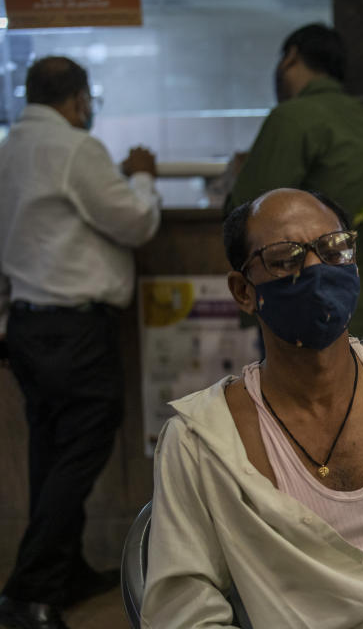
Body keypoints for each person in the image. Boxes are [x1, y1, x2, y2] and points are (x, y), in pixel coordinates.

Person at [142, 189, 363, 629]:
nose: (315, 268)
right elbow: (182, 610)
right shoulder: (204, 439)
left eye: (334, 249)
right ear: (243, 291)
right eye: (285, 258)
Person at [0, 56, 161, 629]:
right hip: (74, 328)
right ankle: (30, 590)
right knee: (83, 444)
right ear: (78, 100)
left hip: (28, 324)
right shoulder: (73, 149)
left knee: (50, 452)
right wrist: (142, 172)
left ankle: (62, 572)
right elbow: (137, 222)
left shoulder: (9, 148)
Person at [223, 23, 363, 336]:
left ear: (291, 57)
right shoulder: (358, 115)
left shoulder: (293, 116)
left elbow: (246, 213)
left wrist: (238, 173)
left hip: (295, 299)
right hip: (348, 292)